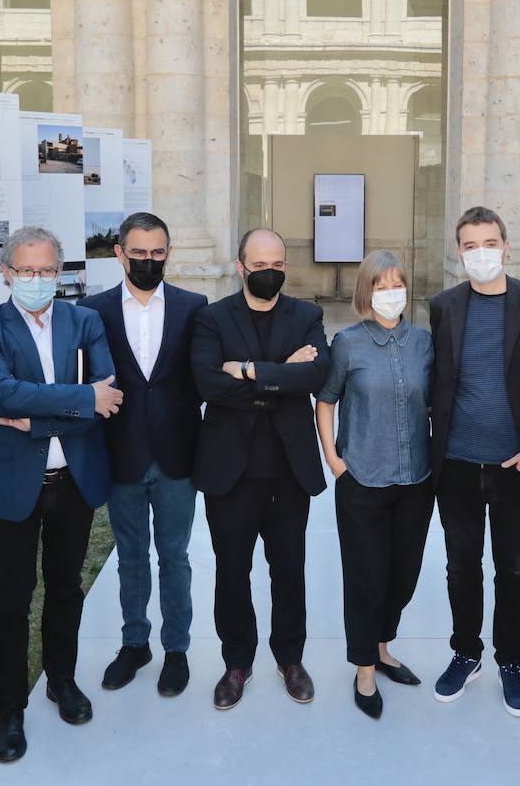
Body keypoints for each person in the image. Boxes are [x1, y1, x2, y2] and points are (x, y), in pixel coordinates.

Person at [0, 225, 124, 764]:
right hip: (11, 485)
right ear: (7, 272)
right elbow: (2, 394)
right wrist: (78, 401)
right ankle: (10, 709)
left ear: (61, 273)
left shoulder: (85, 322)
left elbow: (108, 397)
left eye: (47, 271)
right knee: (10, 601)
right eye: (27, 271)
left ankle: (61, 681)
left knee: (65, 589)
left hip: (72, 483)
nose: (37, 280)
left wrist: (34, 416)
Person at [190, 228, 329, 710]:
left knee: (289, 569)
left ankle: (290, 658)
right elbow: (208, 383)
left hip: (289, 470)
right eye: (259, 264)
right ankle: (237, 662)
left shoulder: (308, 315)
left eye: (277, 265)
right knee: (232, 570)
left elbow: (316, 375)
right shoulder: (211, 318)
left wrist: (246, 370)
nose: (268, 272)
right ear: (240, 265)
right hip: (231, 471)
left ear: (285, 267)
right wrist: (280, 374)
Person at [429, 206, 520, 717]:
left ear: (507, 246)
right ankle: (466, 652)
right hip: (456, 463)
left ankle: (510, 659)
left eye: (489, 242)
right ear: (459, 252)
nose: (480, 253)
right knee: (461, 566)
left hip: (516, 465)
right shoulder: (443, 306)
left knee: (515, 568)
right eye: (470, 245)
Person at [78, 212, 207, 697]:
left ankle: (177, 649)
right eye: (138, 253)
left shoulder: (195, 307)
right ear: (120, 253)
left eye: (157, 253)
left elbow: (203, 376)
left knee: (175, 556)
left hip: (178, 457)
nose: (148, 261)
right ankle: (135, 644)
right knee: (130, 556)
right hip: (121, 454)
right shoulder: (94, 311)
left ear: (168, 253)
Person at [316, 250, 435, 720]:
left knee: (402, 576)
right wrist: (334, 461)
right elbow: (326, 401)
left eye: (398, 284)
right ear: (365, 292)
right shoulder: (346, 344)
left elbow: (432, 402)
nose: (391, 293)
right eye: (381, 285)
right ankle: (365, 667)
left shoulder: (424, 343)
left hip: (415, 480)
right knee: (366, 578)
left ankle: (384, 648)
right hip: (362, 478)